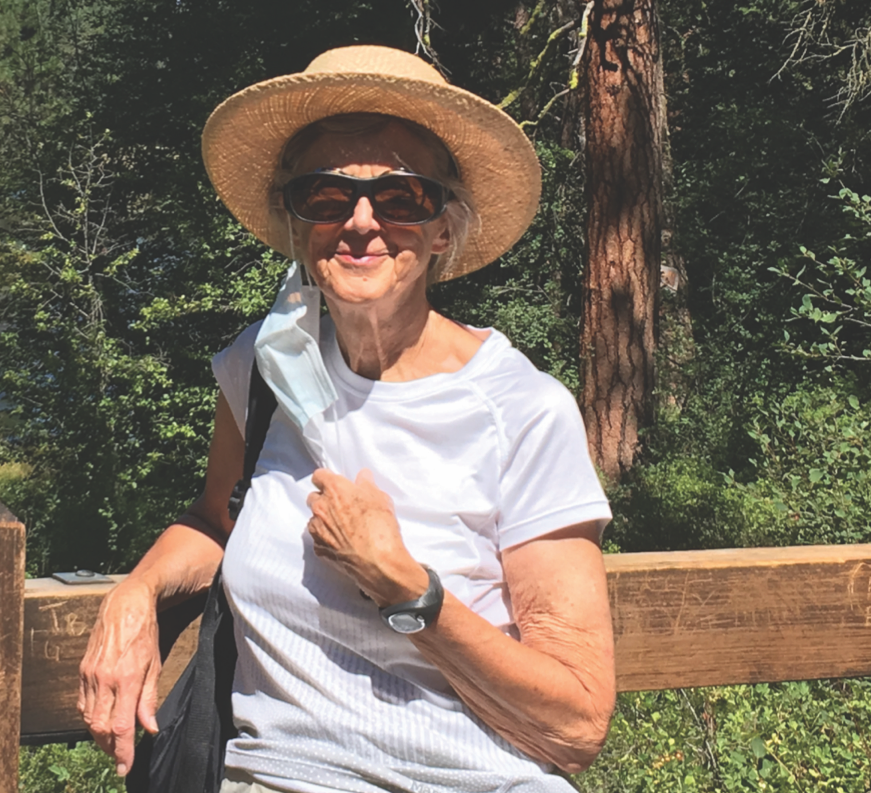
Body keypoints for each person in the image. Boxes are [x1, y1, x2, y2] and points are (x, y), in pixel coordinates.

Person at [79, 45, 616, 793]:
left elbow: (577, 722)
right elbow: (215, 521)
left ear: (441, 231)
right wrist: (137, 591)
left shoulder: (522, 411)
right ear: (296, 226)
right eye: (326, 197)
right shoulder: (262, 370)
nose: (362, 222)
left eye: (401, 198)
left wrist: (406, 589)